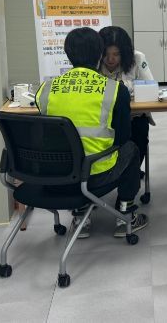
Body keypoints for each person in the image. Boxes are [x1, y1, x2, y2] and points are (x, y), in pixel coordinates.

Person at [36, 27, 149, 238]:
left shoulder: (45, 89)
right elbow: (122, 138)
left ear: (68, 54)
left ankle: (81, 215)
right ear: (99, 54)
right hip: (97, 175)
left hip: (57, 173)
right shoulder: (114, 90)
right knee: (131, 148)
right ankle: (125, 214)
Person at [98, 26, 154, 170]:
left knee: (139, 134)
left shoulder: (137, 58)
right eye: (106, 54)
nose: (110, 59)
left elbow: (150, 86)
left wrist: (122, 86)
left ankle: (132, 171)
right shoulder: (94, 60)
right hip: (101, 116)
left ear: (125, 52)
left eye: (116, 54)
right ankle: (109, 171)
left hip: (133, 115)